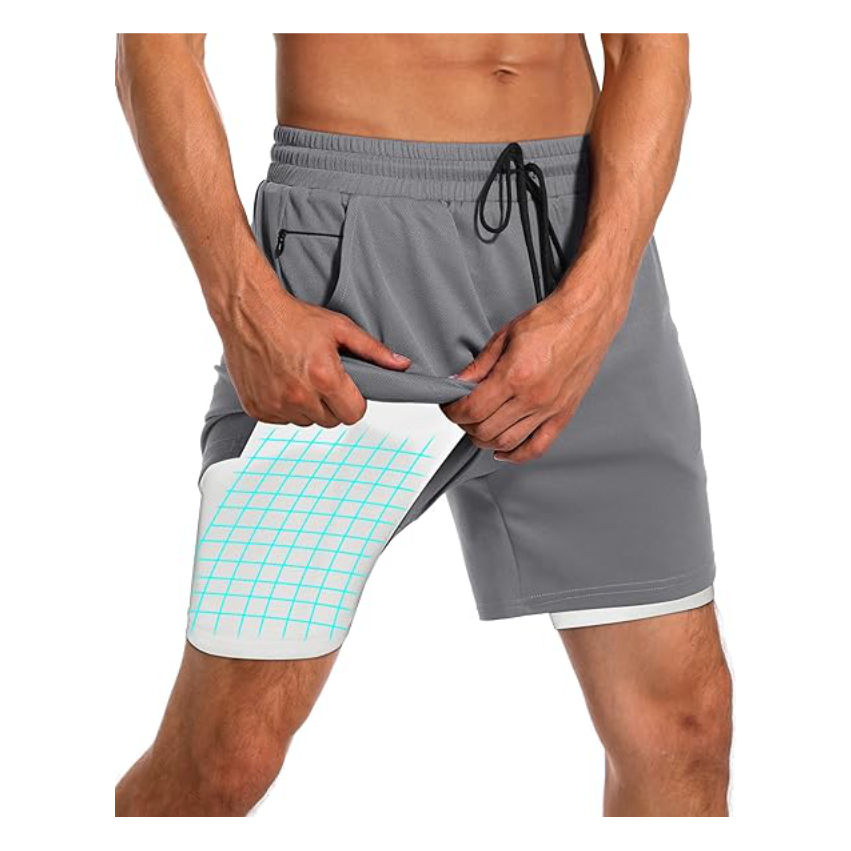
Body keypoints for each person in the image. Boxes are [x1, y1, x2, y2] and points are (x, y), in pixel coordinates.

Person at [114, 33, 732, 817]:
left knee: (681, 729)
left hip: (583, 247)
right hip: (356, 262)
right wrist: (244, 303)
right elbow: (156, 42)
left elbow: (650, 48)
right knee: (226, 755)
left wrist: (595, 305)